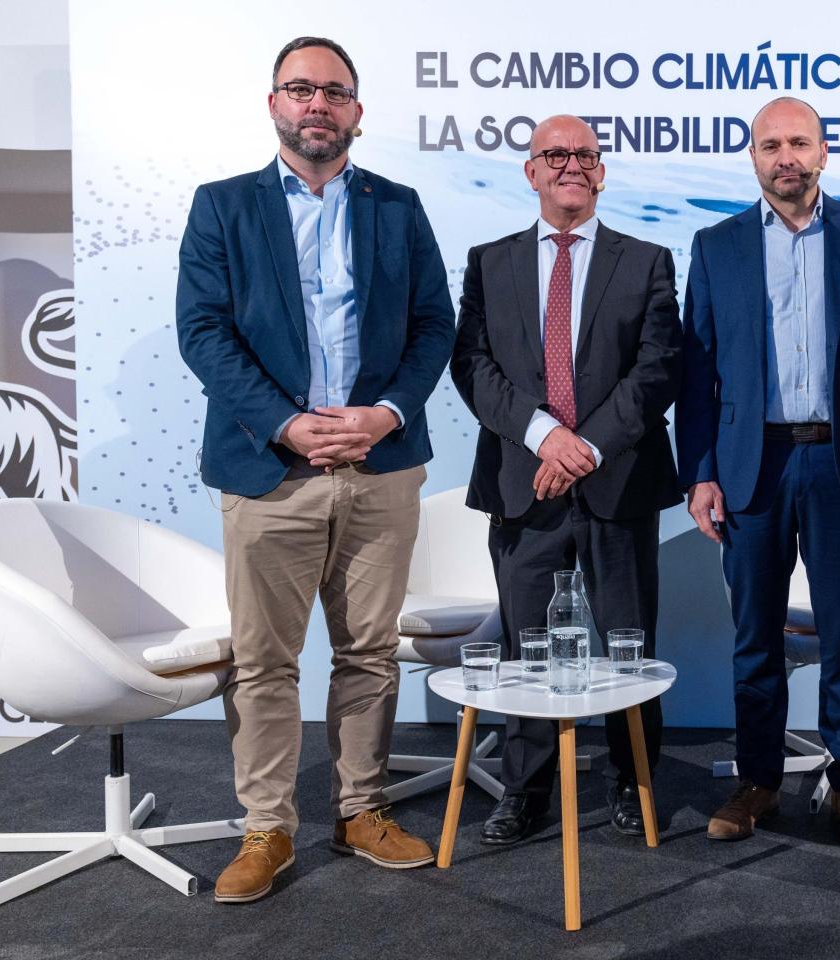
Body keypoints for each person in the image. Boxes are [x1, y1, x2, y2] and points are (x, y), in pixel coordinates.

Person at [176, 36, 455, 904]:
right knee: (264, 660)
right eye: (300, 89)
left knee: (370, 651)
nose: (317, 105)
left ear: (357, 113)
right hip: (269, 471)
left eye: (334, 92)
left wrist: (387, 412)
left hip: (380, 466)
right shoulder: (222, 207)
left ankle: (361, 808)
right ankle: (267, 827)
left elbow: (433, 327)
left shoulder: (397, 208)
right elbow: (203, 331)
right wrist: (288, 424)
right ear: (273, 105)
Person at [449, 114, 681, 846]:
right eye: (555, 154)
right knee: (524, 647)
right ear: (532, 172)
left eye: (584, 154)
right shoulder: (489, 262)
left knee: (628, 641)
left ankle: (630, 778)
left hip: (617, 484)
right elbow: (473, 367)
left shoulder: (646, 260)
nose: (570, 165)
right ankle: (527, 788)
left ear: (602, 171)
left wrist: (587, 446)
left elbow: (658, 368)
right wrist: (546, 437)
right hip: (525, 483)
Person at [677, 97, 840, 848]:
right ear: (753, 156)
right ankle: (758, 779)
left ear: (825, 151)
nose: (786, 157)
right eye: (771, 145)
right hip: (752, 464)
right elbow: (697, 371)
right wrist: (699, 472)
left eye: (799, 142)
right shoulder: (716, 246)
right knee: (754, 635)